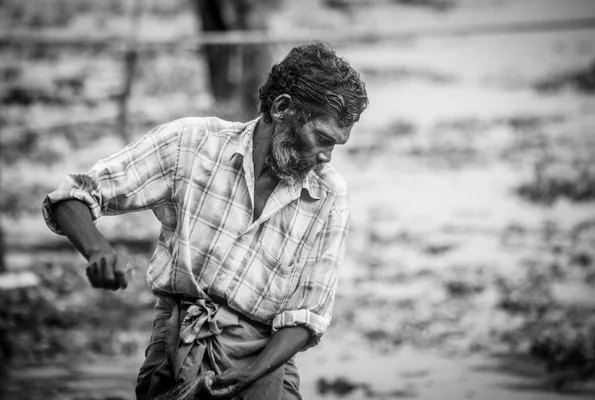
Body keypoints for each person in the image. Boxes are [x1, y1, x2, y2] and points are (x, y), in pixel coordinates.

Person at [42, 41, 368, 400]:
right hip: (175, 348)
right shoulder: (193, 144)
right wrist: (98, 251)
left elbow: (307, 317)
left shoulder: (328, 195)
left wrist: (249, 376)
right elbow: (73, 195)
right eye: (322, 138)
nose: (325, 157)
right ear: (282, 108)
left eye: (336, 145)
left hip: (265, 364)